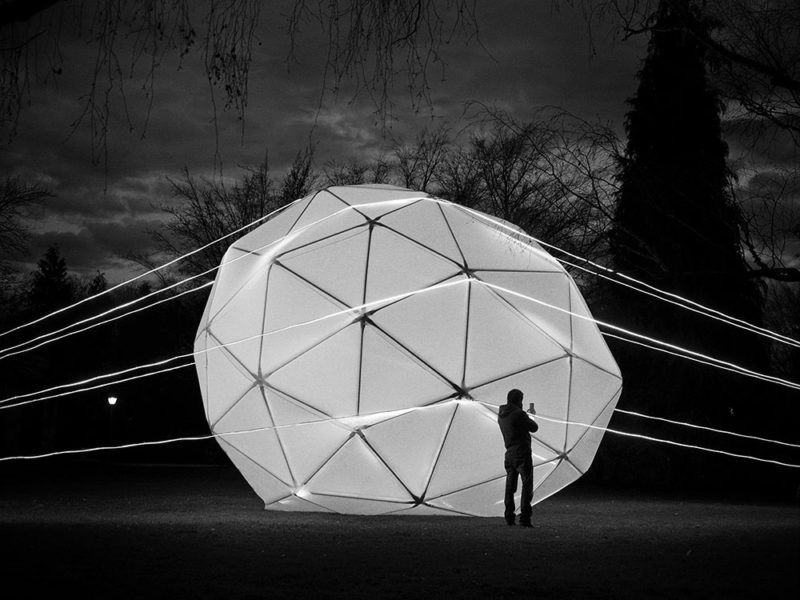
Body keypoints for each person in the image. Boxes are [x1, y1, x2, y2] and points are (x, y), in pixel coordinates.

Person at [497, 388, 538, 527]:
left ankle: (509, 517)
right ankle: (525, 519)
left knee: (510, 486)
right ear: (519, 400)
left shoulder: (501, 414)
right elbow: (534, 427)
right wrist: (530, 416)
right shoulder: (519, 414)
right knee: (527, 485)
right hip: (522, 452)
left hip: (509, 453)